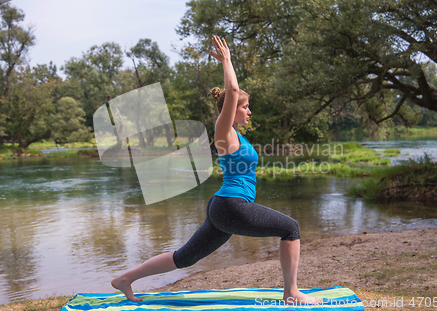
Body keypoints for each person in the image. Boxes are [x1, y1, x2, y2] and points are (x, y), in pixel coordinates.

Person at [111, 35, 322, 306]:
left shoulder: (238, 137)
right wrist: (227, 61)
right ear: (231, 110)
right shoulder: (223, 132)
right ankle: (292, 292)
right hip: (230, 206)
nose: (249, 112)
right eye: (246, 107)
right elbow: (232, 91)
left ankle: (125, 279)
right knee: (291, 228)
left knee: (185, 257)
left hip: (224, 206)